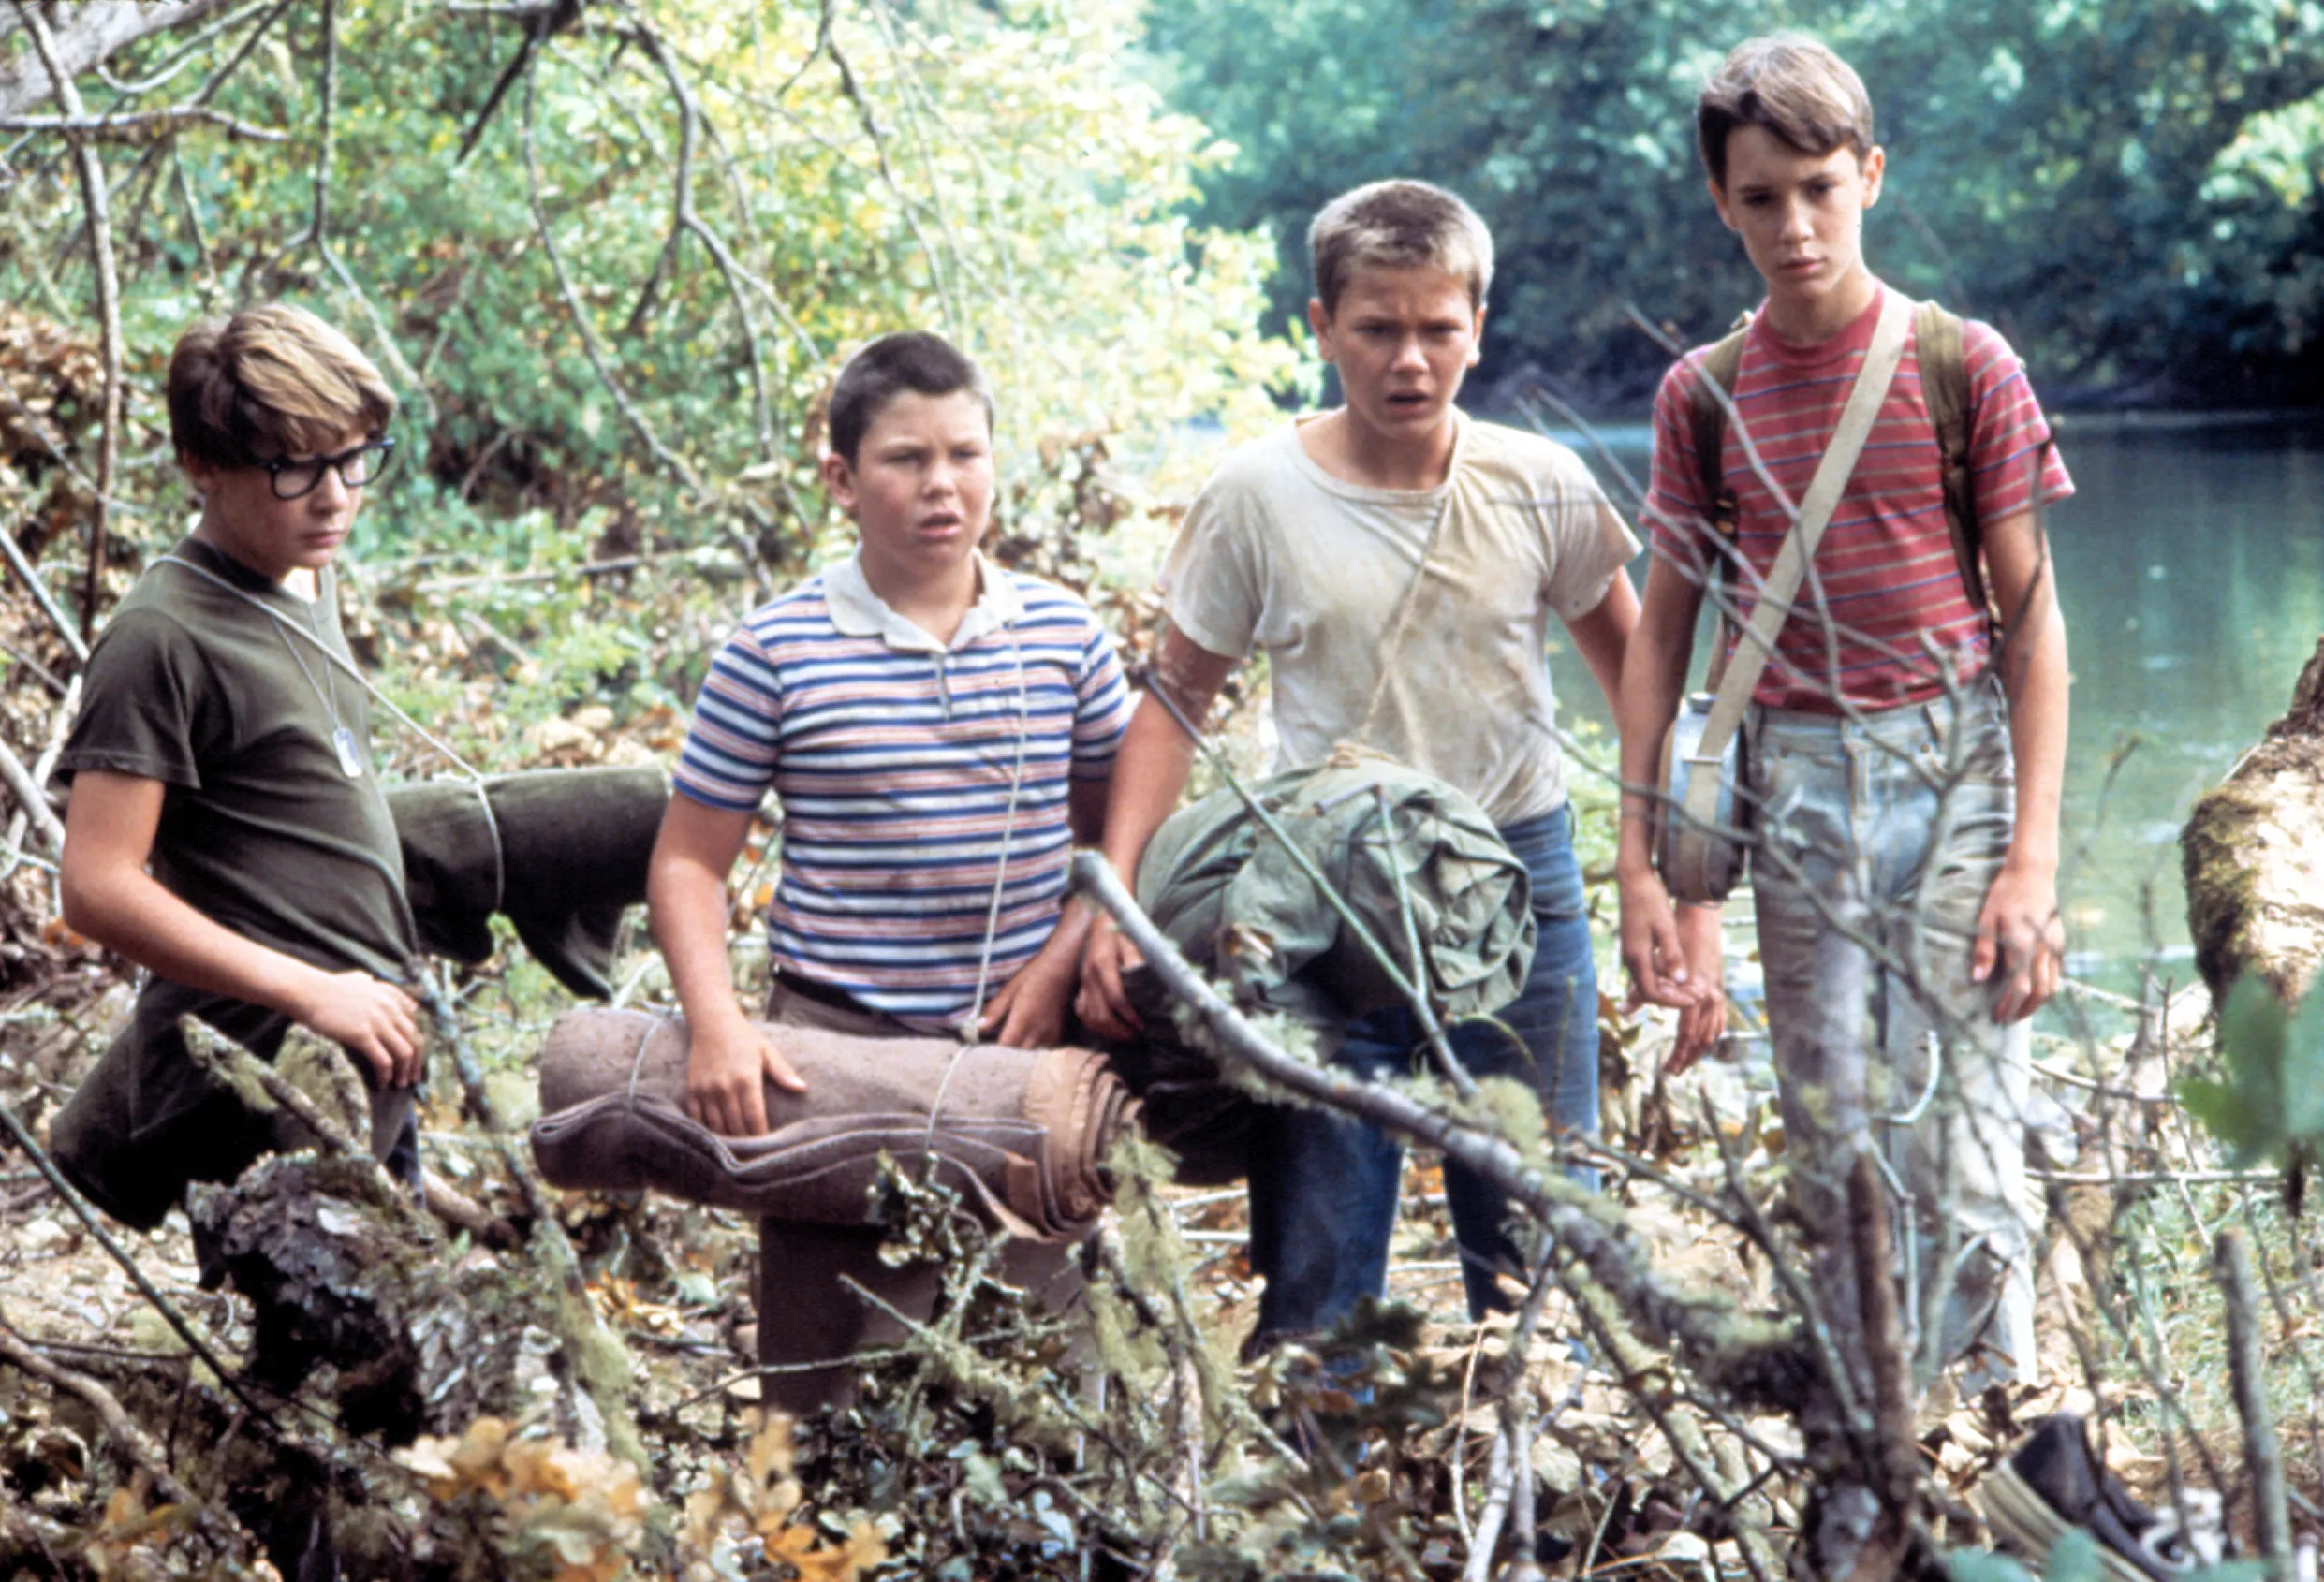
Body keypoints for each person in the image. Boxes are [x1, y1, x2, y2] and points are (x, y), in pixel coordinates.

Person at [1076, 179, 1672, 1346]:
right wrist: (1115, 903)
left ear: (1478, 328)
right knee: (1320, 1249)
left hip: (1515, 880)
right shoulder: (1256, 495)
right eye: (1376, 328)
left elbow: (1636, 681)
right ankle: (1321, 1466)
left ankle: (1539, 1478)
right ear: (1320, 327)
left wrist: (1651, 874)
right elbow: (1174, 702)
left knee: (1544, 1244)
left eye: (1437, 329)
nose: (1410, 359)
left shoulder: (1539, 482)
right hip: (1326, 894)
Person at [1614, 34, 2073, 1394]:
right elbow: (1661, 642)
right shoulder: (1698, 394)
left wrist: (2031, 859)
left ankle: (1997, 1425)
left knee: (1970, 1120)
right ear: (1720, 201)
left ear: (1869, 174)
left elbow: (2034, 628)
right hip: (1794, 783)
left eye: (1819, 186)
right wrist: (1642, 860)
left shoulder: (1958, 362)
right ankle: (1874, 1424)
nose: (1794, 225)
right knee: (1831, 1132)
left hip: (1955, 766)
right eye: (1761, 198)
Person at [646, 329, 1132, 1134]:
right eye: (906, 459)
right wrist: (718, 1026)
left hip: (1023, 1035)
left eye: (965, 455)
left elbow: (1119, 839)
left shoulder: (1062, 634)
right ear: (842, 478)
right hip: (830, 1047)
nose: (941, 484)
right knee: (833, 1256)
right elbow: (689, 862)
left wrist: (1060, 962)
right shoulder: (773, 651)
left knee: (1023, 1255)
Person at [51, 302, 423, 1226]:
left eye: (352, 458)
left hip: (362, 1005)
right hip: (274, 1035)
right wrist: (312, 991)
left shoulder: (303, 565)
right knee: (353, 1320)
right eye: (295, 467)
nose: (335, 495)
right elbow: (94, 887)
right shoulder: (160, 637)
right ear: (202, 466)